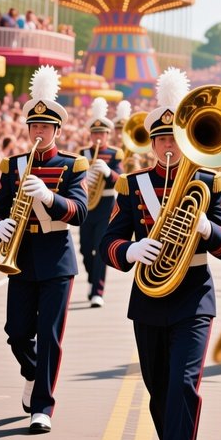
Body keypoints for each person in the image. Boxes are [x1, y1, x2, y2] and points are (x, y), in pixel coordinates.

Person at [99, 69, 221, 440]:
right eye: (161, 140)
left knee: (182, 384)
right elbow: (108, 243)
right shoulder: (132, 184)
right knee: (159, 386)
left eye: (175, 139)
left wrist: (207, 226)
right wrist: (130, 250)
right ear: (152, 143)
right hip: (148, 298)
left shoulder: (211, 181)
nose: (168, 147)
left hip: (194, 294)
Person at [0, 65, 88, 434]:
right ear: (28, 129)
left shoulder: (73, 165)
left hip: (57, 259)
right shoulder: (12, 166)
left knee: (50, 335)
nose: (39, 132)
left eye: (46, 127)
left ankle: (43, 405)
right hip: (22, 257)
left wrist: (50, 197)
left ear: (57, 131)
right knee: (16, 332)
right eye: (34, 127)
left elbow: (79, 211)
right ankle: (31, 372)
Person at [79, 98, 124, 307]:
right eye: (95, 133)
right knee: (86, 249)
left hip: (106, 205)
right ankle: (91, 278)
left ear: (108, 134)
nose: (98, 137)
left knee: (100, 248)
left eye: (102, 133)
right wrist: (84, 179)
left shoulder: (115, 153)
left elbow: (121, 181)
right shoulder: (82, 154)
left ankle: (98, 290)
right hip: (87, 206)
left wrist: (108, 172)